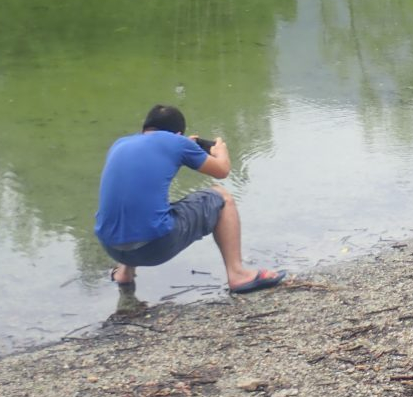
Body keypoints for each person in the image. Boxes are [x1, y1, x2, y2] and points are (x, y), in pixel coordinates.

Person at [95, 104, 286, 308]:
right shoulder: (177, 143)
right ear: (178, 134)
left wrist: (184, 145)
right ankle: (238, 274)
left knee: (136, 202)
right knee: (222, 197)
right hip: (154, 247)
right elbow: (222, 170)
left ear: (145, 128)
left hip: (110, 246)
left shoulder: (121, 144)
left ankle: (124, 273)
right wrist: (220, 150)